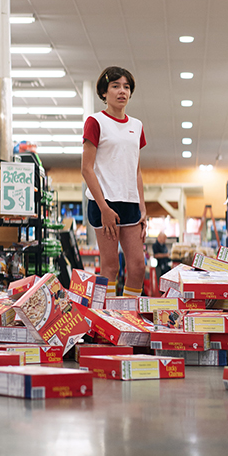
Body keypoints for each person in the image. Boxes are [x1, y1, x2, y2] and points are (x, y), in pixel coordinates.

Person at [81, 66, 147, 298]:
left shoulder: (136, 126)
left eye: (126, 87)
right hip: (104, 202)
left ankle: (129, 320)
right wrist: (104, 208)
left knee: (138, 267)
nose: (122, 91)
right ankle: (105, 324)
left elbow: (136, 170)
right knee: (111, 268)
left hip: (130, 203)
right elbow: (86, 169)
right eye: (116, 86)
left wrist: (142, 207)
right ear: (104, 92)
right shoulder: (95, 121)